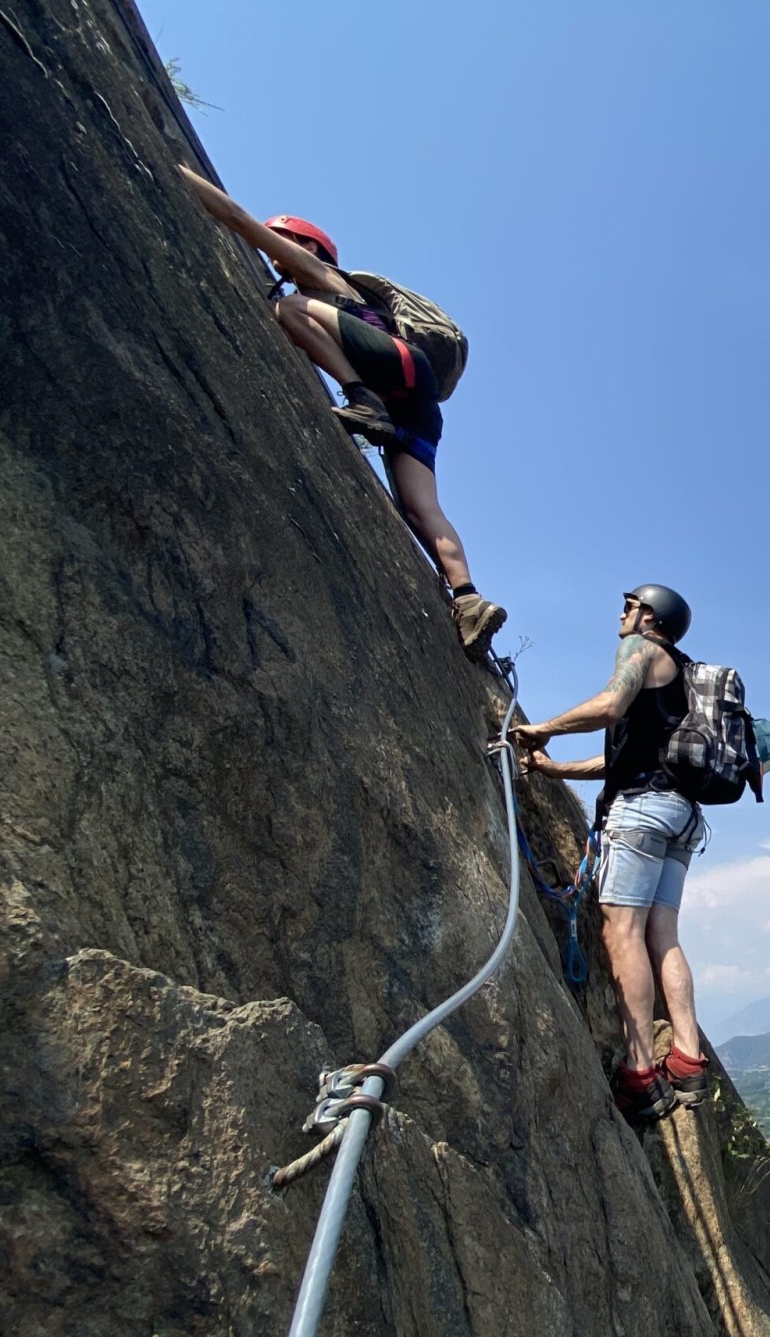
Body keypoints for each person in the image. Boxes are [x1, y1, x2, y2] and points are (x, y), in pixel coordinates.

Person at [177, 167, 506, 657]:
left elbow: (235, 217)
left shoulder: (324, 279)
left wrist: (174, 168)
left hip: (396, 371)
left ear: (309, 248)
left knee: (289, 310)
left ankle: (360, 399)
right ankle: (469, 600)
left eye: (283, 240)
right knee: (421, 508)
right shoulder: (339, 290)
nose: (274, 251)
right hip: (416, 400)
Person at [507, 584, 709, 1125]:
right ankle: (688, 1058)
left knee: (622, 933)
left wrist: (543, 728)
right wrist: (553, 769)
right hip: (682, 818)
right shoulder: (687, 677)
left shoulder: (639, 650)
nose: (622, 614)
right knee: (662, 935)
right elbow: (619, 762)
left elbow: (610, 705)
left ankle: (640, 1072)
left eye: (630, 606)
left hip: (641, 814)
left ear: (650, 616)